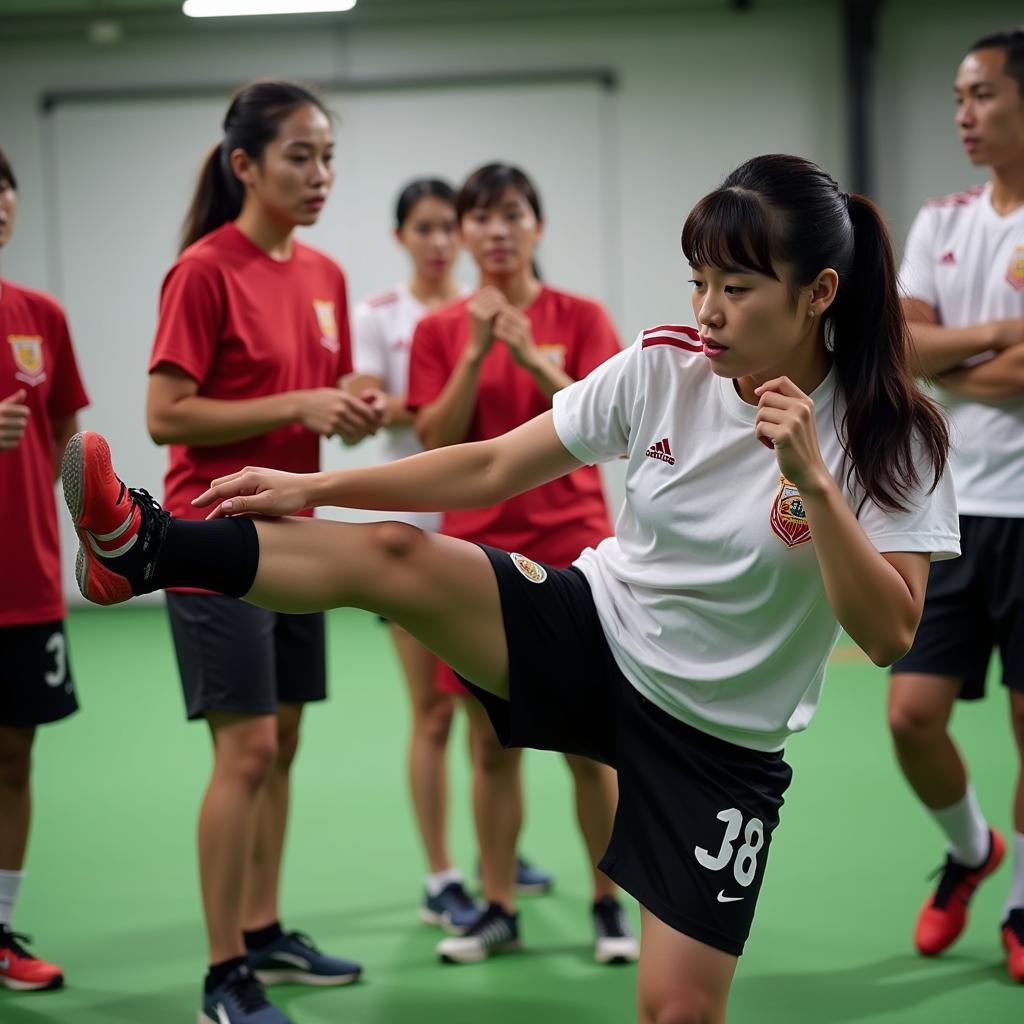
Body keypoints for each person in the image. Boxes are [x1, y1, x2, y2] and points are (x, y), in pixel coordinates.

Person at [63, 153, 957, 1024]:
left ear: (820, 294)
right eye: (699, 283)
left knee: (678, 1010)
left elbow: (888, 634)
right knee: (396, 561)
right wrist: (314, 488)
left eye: (738, 288)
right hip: (595, 632)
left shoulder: (895, 436)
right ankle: (141, 547)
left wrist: (814, 481)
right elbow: (491, 465)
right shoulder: (662, 367)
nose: (708, 313)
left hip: (719, 746)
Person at [144, 80, 384, 1024]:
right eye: (301, 156)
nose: (321, 175)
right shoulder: (203, 270)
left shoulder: (324, 277)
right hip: (212, 535)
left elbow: (319, 403)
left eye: (328, 157)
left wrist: (349, 405)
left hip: (296, 536)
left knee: (281, 741)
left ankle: (263, 929)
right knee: (243, 750)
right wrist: (295, 405)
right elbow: (167, 412)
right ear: (245, 164)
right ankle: (221, 976)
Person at [407, 162, 634, 965]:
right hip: (475, 557)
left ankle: (610, 907)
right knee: (487, 744)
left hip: (575, 552)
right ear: (463, 234)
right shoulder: (438, 332)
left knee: (587, 745)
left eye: (511, 214)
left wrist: (533, 358)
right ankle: (497, 905)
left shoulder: (581, 315)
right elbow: (438, 439)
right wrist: (473, 353)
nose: (496, 231)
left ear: (537, 225)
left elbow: (614, 415)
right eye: (481, 217)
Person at [887, 26, 1024, 981]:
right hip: (951, 508)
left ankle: (1022, 904)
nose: (963, 114)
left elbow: (942, 358)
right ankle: (976, 851)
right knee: (910, 715)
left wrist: (954, 360)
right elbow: (903, 349)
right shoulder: (941, 220)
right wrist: (1001, 338)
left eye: (980, 94)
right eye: (957, 97)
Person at [347, 178, 481, 933]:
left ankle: (499, 860)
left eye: (447, 228)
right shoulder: (378, 315)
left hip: (482, 531)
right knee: (432, 713)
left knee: (493, 713)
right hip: (407, 534)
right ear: (402, 236)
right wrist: (421, 405)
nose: (438, 241)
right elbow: (367, 406)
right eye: (423, 228)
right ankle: (441, 874)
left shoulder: (484, 313)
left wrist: (418, 402)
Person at [0, 147, 89, 993]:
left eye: (4, 186)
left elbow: (67, 443)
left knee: (14, 756)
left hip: (23, 581)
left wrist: (94, 538)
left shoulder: (40, 315)